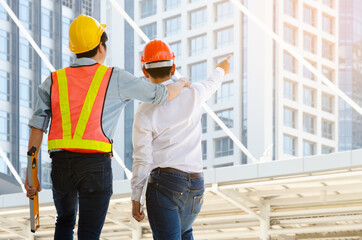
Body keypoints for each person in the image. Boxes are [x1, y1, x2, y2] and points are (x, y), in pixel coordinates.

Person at [24, 15, 190, 240]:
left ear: (74, 48)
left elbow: (37, 126)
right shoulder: (114, 77)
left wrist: (30, 172)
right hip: (95, 166)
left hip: (61, 165)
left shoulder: (54, 80)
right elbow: (160, 95)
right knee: (89, 233)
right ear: (101, 46)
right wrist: (180, 83)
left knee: (64, 221)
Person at [131, 39, 230, 240]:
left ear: (145, 72)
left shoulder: (144, 111)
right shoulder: (193, 92)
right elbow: (214, 82)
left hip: (165, 185)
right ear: (173, 67)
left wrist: (136, 198)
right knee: (185, 233)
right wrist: (222, 67)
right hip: (196, 186)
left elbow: (142, 159)